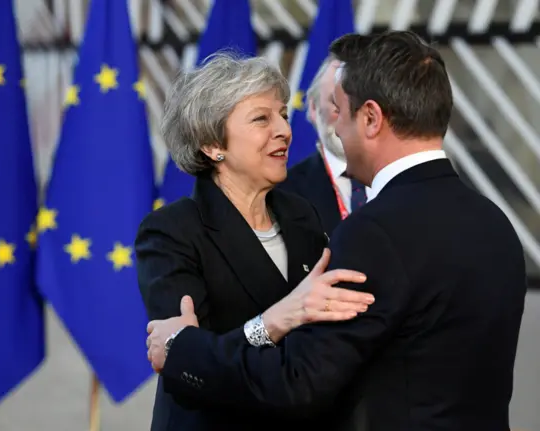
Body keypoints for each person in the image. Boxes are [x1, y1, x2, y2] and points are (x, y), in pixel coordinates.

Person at [145, 31, 528, 430]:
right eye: (262, 118)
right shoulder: (495, 225)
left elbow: (299, 383)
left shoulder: (372, 233)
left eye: (339, 111)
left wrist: (183, 348)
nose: (334, 131)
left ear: (372, 118)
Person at [135, 53, 375, 431]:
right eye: (263, 118)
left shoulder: (302, 215)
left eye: (282, 114)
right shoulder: (170, 232)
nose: (284, 129)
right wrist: (279, 318)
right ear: (213, 144)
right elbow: (187, 366)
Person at [279, 34, 374, 235]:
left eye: (357, 103)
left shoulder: (407, 183)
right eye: (336, 103)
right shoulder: (281, 194)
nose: (347, 117)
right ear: (313, 108)